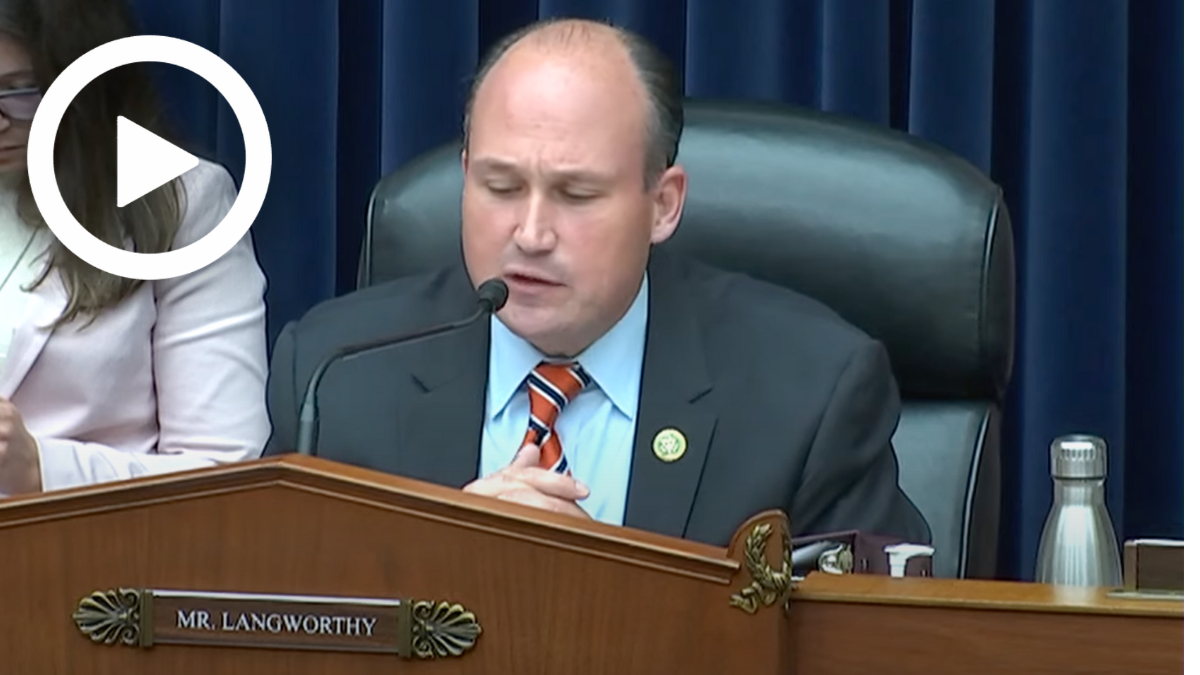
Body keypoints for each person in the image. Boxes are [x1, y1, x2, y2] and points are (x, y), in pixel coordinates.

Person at [266, 18, 929, 547]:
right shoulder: (336, 375)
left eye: (576, 195)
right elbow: (273, 628)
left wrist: (607, 593)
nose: (531, 233)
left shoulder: (809, 393)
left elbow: (868, 644)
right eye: (500, 186)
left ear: (663, 204)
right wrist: (442, 564)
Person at [0, 0, 269, 496]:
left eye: (21, 91)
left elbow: (222, 473)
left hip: (86, 541)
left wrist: (40, 469)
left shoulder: (184, 206)